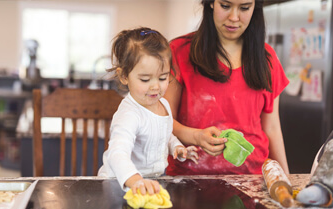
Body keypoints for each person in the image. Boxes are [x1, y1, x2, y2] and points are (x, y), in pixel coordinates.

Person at [164, 0, 290, 176]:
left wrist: (286, 177)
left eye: (244, 8)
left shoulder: (267, 58)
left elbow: (272, 128)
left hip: (252, 179)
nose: (234, 17)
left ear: (255, 8)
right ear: (211, 4)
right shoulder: (179, 51)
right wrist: (196, 137)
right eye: (225, 6)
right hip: (189, 178)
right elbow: (163, 121)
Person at [98, 27, 199, 195]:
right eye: (145, 79)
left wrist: (177, 147)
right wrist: (135, 180)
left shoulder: (163, 105)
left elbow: (164, 133)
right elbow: (117, 153)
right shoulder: (129, 114)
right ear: (124, 76)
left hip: (150, 183)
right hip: (118, 186)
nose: (155, 86)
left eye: (162, 78)